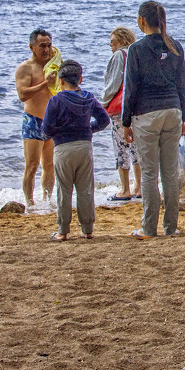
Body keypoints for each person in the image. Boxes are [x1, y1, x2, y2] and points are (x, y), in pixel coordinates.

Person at [122, 1, 185, 239]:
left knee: (150, 172)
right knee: (169, 172)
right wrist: (183, 116)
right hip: (173, 110)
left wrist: (125, 121)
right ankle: (171, 227)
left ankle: (149, 228)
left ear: (141, 21)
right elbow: (182, 85)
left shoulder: (137, 49)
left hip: (147, 114)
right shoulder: (175, 46)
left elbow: (132, 88)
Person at [42, 60, 110, 241]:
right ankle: (87, 229)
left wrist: (60, 132)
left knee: (64, 190)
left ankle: (63, 230)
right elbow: (104, 120)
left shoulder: (56, 100)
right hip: (84, 146)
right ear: (80, 78)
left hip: (63, 147)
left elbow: (46, 128)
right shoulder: (88, 98)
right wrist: (89, 129)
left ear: (60, 80)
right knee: (85, 189)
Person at [15, 28, 57, 206]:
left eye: (49, 45)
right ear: (32, 47)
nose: (46, 50)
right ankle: (30, 202)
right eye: (42, 46)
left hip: (51, 121)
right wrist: (44, 84)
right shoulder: (26, 68)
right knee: (32, 165)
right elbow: (22, 94)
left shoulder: (54, 66)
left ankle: (47, 200)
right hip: (33, 120)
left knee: (49, 165)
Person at [101, 26, 140, 201]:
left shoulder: (119, 55)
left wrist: (104, 102)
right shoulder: (137, 53)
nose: (110, 45)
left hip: (120, 109)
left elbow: (113, 82)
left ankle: (125, 189)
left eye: (112, 41)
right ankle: (139, 186)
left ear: (121, 40)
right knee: (136, 148)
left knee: (121, 148)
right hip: (137, 108)